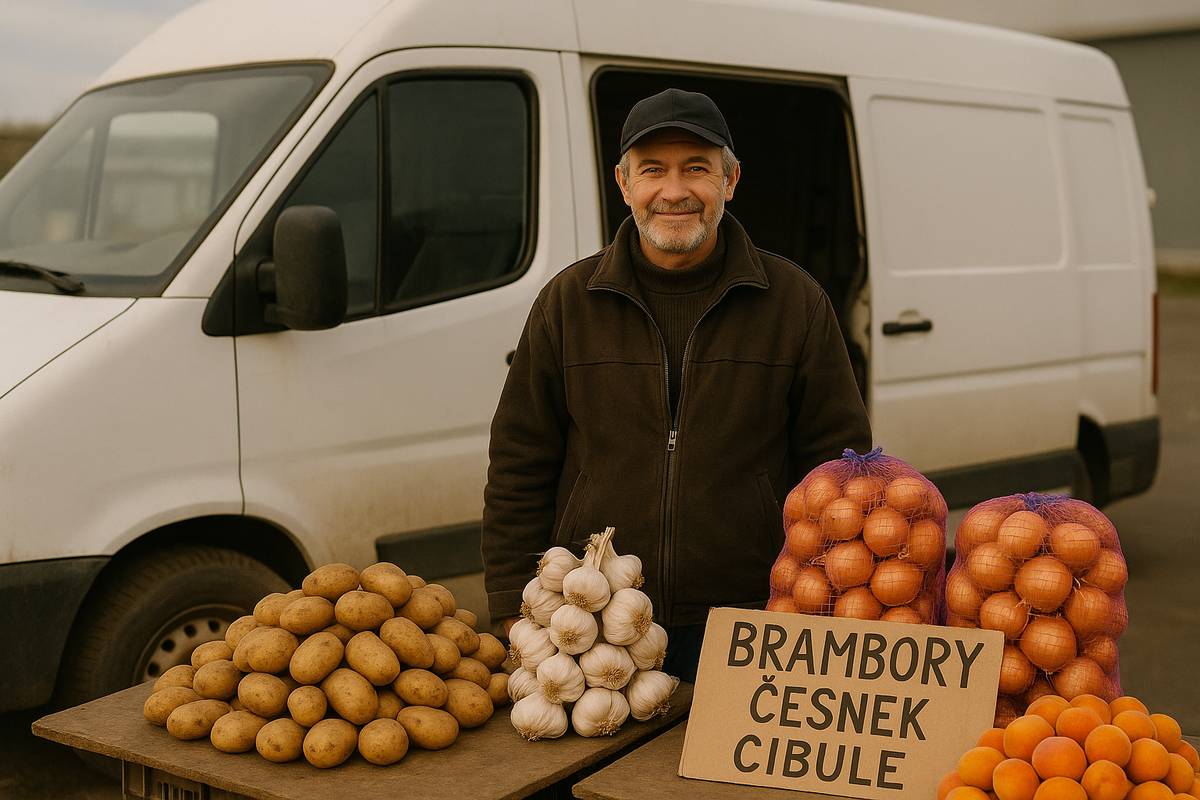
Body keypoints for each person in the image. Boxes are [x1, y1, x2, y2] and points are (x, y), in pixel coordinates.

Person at [481, 88, 871, 681]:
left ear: (731, 180)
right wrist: (513, 605)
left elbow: (839, 471)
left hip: (752, 621)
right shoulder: (569, 303)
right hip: (592, 628)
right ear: (623, 182)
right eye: (653, 170)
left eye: (697, 168)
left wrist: (829, 603)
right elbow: (519, 461)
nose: (675, 191)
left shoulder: (794, 303)